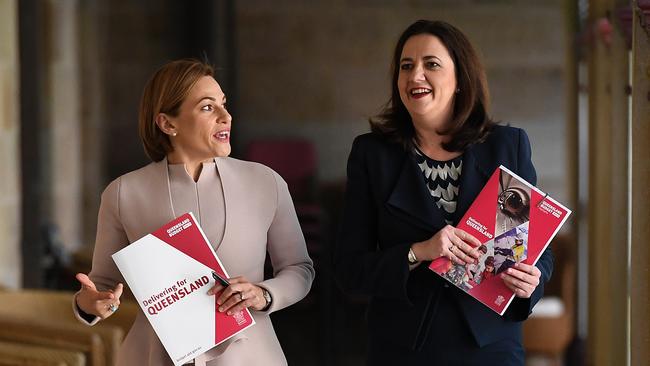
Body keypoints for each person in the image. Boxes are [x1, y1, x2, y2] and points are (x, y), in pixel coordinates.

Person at [334, 20, 552, 365]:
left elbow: (538, 250)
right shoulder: (371, 155)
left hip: (490, 346)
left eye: (430, 64)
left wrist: (532, 282)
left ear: (461, 81)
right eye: (406, 66)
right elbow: (350, 271)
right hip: (402, 348)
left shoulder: (507, 147)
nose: (415, 75)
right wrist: (419, 251)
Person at [72, 59, 315, 366]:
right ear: (167, 123)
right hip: (152, 356)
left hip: (251, 355)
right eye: (207, 107)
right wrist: (90, 304)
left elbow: (299, 269)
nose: (226, 117)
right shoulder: (123, 193)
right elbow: (101, 285)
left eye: (223, 104)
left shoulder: (266, 182)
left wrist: (264, 294)